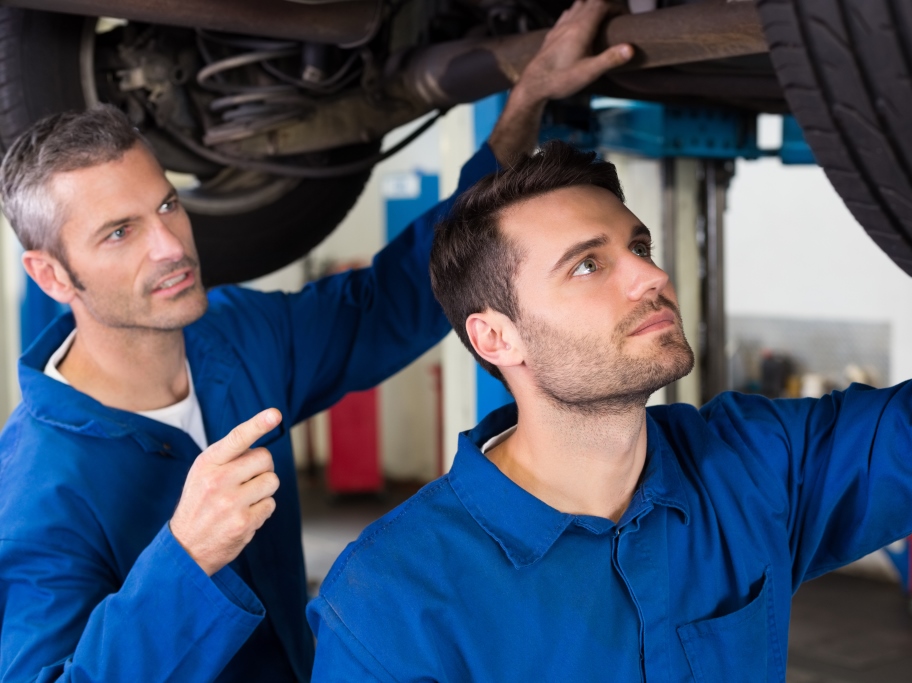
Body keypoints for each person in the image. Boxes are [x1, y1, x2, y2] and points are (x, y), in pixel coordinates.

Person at [0, 2, 635, 680]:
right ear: (50, 273)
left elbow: (390, 301)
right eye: (119, 233)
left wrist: (524, 104)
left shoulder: (235, 336)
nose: (171, 246)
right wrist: (184, 558)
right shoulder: (39, 488)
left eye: (167, 205)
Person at [306, 140, 912, 681]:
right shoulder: (390, 599)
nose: (653, 275)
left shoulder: (754, 464)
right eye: (589, 264)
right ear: (496, 336)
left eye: (639, 245)